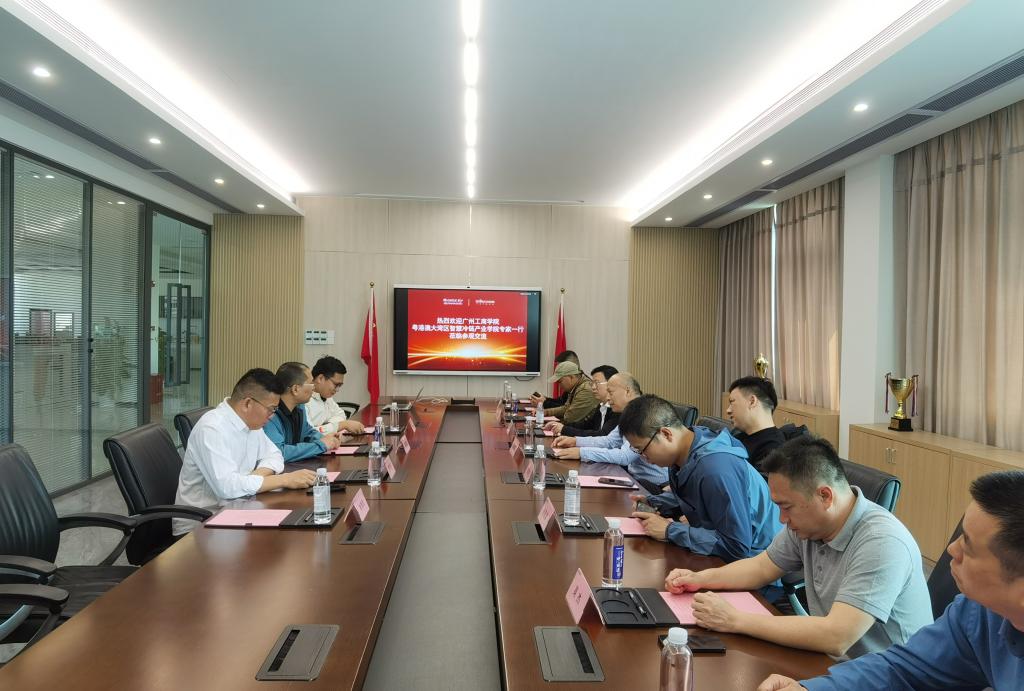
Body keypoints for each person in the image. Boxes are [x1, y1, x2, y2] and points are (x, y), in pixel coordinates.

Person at [665, 436, 931, 659]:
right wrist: (699, 579)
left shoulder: (882, 542)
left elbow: (837, 637)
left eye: (786, 507)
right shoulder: (809, 526)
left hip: (892, 678)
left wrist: (734, 619)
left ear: (825, 496)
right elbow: (761, 567)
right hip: (836, 666)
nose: (782, 519)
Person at [759, 469, 1024, 691]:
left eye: (968, 545)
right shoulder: (977, 612)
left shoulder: (883, 539)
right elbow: (903, 668)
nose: (952, 550)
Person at [619, 394, 781, 562]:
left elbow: (736, 546)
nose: (643, 457)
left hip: (762, 560)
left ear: (666, 434)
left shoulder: (715, 468)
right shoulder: (689, 447)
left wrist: (669, 530)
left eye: (642, 449)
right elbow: (697, 496)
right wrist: (655, 502)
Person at [172, 368, 318, 535]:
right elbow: (227, 487)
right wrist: (283, 480)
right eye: (271, 409)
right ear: (248, 403)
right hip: (200, 525)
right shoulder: (212, 429)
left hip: (237, 510)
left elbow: (275, 455)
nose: (272, 416)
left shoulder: (252, 423)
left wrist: (255, 477)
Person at [549, 372, 668, 487]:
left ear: (627, 391)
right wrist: (575, 441)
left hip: (653, 486)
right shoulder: (630, 413)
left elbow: (625, 456)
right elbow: (609, 441)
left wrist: (581, 452)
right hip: (633, 479)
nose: (608, 398)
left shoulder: (644, 414)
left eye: (610, 393)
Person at [264, 361, 342, 462]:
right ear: (295, 389)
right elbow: (280, 453)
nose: (314, 387)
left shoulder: (299, 407)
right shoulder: (270, 414)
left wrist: (326, 439)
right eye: (311, 384)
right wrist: (321, 445)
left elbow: (307, 432)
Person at [726, 376, 787, 470]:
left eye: (732, 402)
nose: (728, 410)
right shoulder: (738, 436)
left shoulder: (773, 449)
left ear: (752, 401)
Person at [545, 365, 618, 437]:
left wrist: (564, 429)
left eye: (597, 383)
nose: (593, 387)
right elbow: (587, 425)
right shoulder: (602, 405)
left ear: (611, 384)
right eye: (592, 383)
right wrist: (561, 426)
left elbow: (602, 436)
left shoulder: (617, 409)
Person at [306, 355, 366, 435]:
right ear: (320, 378)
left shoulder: (326, 397)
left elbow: (341, 415)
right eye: (336, 384)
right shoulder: (304, 400)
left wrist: (328, 426)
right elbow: (308, 434)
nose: (337, 390)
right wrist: (339, 426)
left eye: (340, 386)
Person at [543, 360, 599, 425]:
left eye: (560, 381)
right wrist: (546, 412)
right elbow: (566, 408)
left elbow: (569, 418)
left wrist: (548, 423)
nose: (559, 385)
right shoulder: (576, 387)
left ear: (571, 377)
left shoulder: (585, 390)